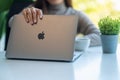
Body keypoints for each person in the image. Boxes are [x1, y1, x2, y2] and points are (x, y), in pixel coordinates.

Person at [8, 0, 101, 47]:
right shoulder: (34, 10)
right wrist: (25, 16)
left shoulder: (76, 15)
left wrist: (69, 43)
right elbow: (11, 23)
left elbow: (99, 36)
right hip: (34, 62)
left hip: (65, 65)